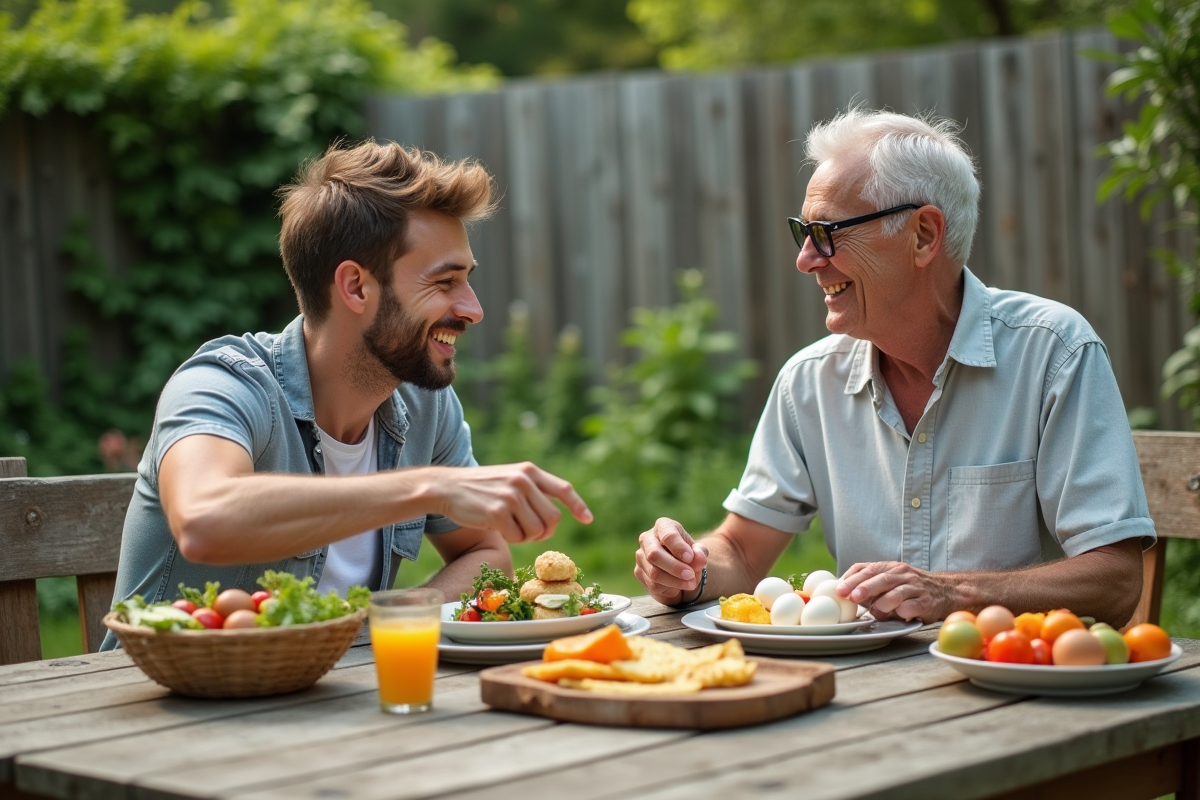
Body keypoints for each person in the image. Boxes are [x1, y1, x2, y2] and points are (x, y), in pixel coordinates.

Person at [634, 109, 1151, 626]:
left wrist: (953, 593)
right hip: (863, 675)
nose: (806, 259)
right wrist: (689, 568)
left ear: (923, 235)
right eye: (804, 232)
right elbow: (743, 552)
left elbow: (1117, 579)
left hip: (1007, 670)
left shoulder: (1054, 353)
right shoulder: (808, 382)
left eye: (827, 231)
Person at [102, 141, 591, 648]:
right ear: (356, 287)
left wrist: (392, 618)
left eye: (466, 280)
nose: (473, 309)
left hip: (332, 690)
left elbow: (485, 554)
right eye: (445, 282)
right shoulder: (223, 384)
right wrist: (431, 487)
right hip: (158, 693)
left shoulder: (423, 403)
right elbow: (204, 520)